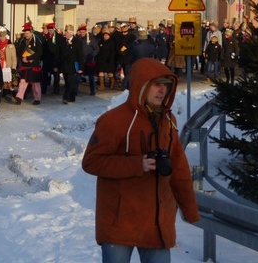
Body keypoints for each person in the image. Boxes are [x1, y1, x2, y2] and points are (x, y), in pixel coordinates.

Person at [81, 58, 200, 263]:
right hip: (120, 222)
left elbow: (179, 168)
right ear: (141, 85)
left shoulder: (168, 121)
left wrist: (190, 210)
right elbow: (91, 161)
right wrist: (138, 164)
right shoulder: (114, 120)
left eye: (166, 85)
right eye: (156, 84)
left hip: (156, 223)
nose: (162, 90)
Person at [11, 22, 42, 105]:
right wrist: (23, 58)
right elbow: (19, 52)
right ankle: (19, 98)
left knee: (35, 84)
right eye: (25, 33)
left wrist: (29, 58)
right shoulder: (22, 41)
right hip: (25, 66)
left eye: (27, 33)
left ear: (31, 32)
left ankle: (37, 98)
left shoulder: (36, 41)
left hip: (34, 65)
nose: (26, 35)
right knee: (22, 82)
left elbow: (39, 53)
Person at [60, 24, 84, 104]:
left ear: (70, 33)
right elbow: (59, 53)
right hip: (64, 65)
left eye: (66, 32)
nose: (65, 33)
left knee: (70, 81)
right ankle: (72, 96)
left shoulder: (77, 42)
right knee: (67, 82)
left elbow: (80, 55)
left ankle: (65, 97)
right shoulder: (63, 41)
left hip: (73, 66)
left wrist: (81, 67)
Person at [78, 24, 100, 96]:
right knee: (78, 75)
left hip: (89, 60)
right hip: (81, 60)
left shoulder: (91, 38)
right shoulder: (78, 38)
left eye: (83, 32)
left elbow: (96, 49)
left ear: (85, 31)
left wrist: (92, 55)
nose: (82, 33)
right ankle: (75, 90)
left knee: (91, 76)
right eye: (80, 32)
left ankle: (92, 90)